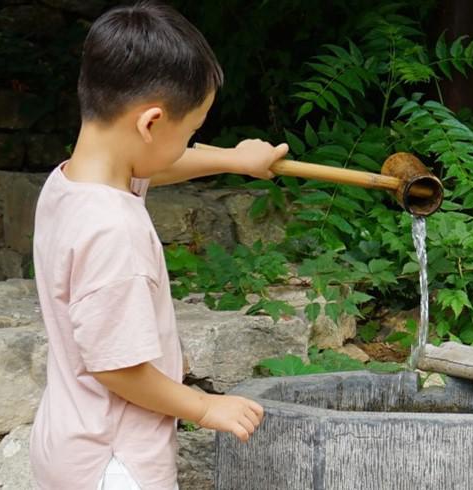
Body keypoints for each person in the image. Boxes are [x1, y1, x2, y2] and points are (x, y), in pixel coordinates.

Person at [29, 2, 288, 488]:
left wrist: (233, 159)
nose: (193, 141)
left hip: (70, 437)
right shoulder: (114, 232)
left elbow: (155, 163)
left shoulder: (72, 182)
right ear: (149, 123)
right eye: (192, 130)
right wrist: (205, 406)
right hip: (114, 463)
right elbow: (119, 370)